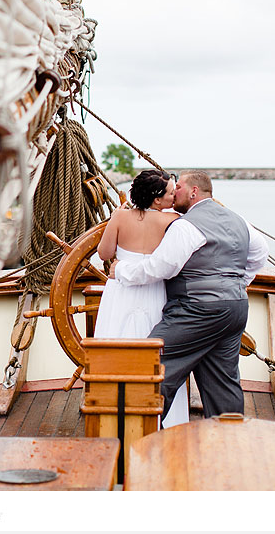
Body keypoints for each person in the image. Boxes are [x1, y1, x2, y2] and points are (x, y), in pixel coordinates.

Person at [108, 170, 269, 424]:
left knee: (149, 365)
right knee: (223, 382)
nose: (173, 194)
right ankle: (230, 444)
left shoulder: (186, 226)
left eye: (178, 188)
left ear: (194, 192)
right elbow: (260, 253)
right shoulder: (238, 220)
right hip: (236, 309)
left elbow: (160, 267)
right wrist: (236, 285)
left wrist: (121, 270)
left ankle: (137, 436)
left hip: (196, 311)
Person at [94, 169, 188, 428]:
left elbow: (104, 253)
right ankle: (160, 417)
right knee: (156, 350)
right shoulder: (171, 221)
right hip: (155, 291)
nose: (174, 196)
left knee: (117, 341)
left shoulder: (119, 216)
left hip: (121, 289)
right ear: (157, 199)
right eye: (170, 192)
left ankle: (114, 413)